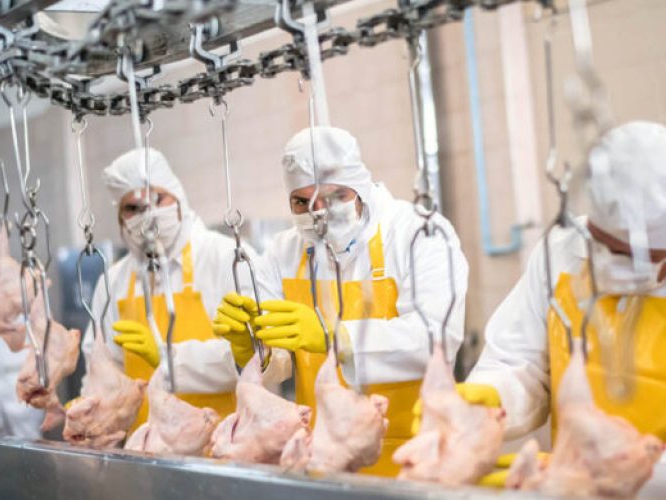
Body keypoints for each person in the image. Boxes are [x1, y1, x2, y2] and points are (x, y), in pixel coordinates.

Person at [460, 121, 666, 498]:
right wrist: (491, 399)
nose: (606, 262)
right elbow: (519, 362)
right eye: (600, 243)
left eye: (627, 256)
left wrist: (593, 477)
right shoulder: (564, 250)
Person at [212, 126, 469, 476]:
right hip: (321, 454)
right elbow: (280, 363)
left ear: (359, 188)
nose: (316, 212)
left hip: (414, 454)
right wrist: (251, 349)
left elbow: (435, 339)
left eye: (332, 197)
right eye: (301, 202)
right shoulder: (283, 252)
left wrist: (336, 337)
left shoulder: (415, 233)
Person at [81, 147, 249, 428]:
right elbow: (101, 370)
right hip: (144, 449)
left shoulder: (226, 257)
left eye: (158, 199)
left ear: (179, 197)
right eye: (133, 208)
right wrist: (89, 406)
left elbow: (258, 364)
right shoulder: (112, 282)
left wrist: (168, 360)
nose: (148, 215)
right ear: (120, 217)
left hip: (224, 448)